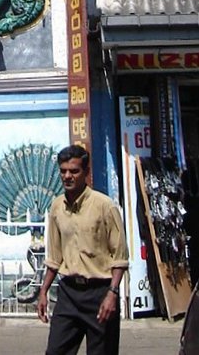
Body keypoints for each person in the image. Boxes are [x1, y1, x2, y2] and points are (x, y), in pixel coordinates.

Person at [37, 144, 129, 355]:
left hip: (99, 293)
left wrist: (112, 294)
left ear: (86, 173)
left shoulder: (105, 206)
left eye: (74, 171)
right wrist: (43, 292)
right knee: (55, 351)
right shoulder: (57, 207)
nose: (67, 176)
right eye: (63, 171)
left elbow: (120, 257)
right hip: (68, 294)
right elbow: (54, 257)